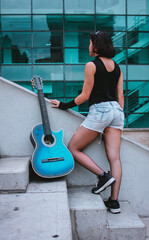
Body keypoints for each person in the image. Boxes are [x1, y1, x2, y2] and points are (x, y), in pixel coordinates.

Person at [50, 31, 124, 214]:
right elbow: (121, 96)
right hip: (117, 111)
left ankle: (103, 176)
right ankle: (114, 202)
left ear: (96, 45)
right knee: (114, 158)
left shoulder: (91, 65)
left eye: (90, 43)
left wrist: (63, 105)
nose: (88, 46)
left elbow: (84, 96)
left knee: (73, 148)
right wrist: (119, 115)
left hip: (100, 111)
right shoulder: (117, 66)